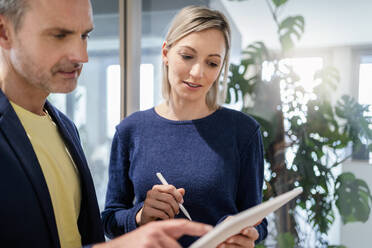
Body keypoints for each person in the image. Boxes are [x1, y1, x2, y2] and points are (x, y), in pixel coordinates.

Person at [0, 0, 212, 247]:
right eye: (59, 35)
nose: (82, 56)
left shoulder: (65, 127)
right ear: (5, 32)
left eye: (84, 36)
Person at [102, 5, 268, 248]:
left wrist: (246, 232)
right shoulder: (130, 131)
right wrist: (140, 216)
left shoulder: (243, 132)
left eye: (212, 63)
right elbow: (110, 221)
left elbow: (258, 220)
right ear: (166, 53)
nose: (197, 72)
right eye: (187, 56)